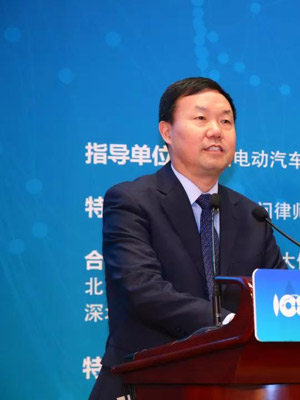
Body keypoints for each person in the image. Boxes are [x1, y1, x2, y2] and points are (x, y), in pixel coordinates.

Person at [90, 77, 286, 399]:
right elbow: (142, 290)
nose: (216, 130)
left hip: (231, 388)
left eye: (226, 121)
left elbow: (278, 296)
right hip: (146, 383)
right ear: (167, 132)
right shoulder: (131, 201)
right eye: (201, 118)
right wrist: (230, 324)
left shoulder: (252, 215)